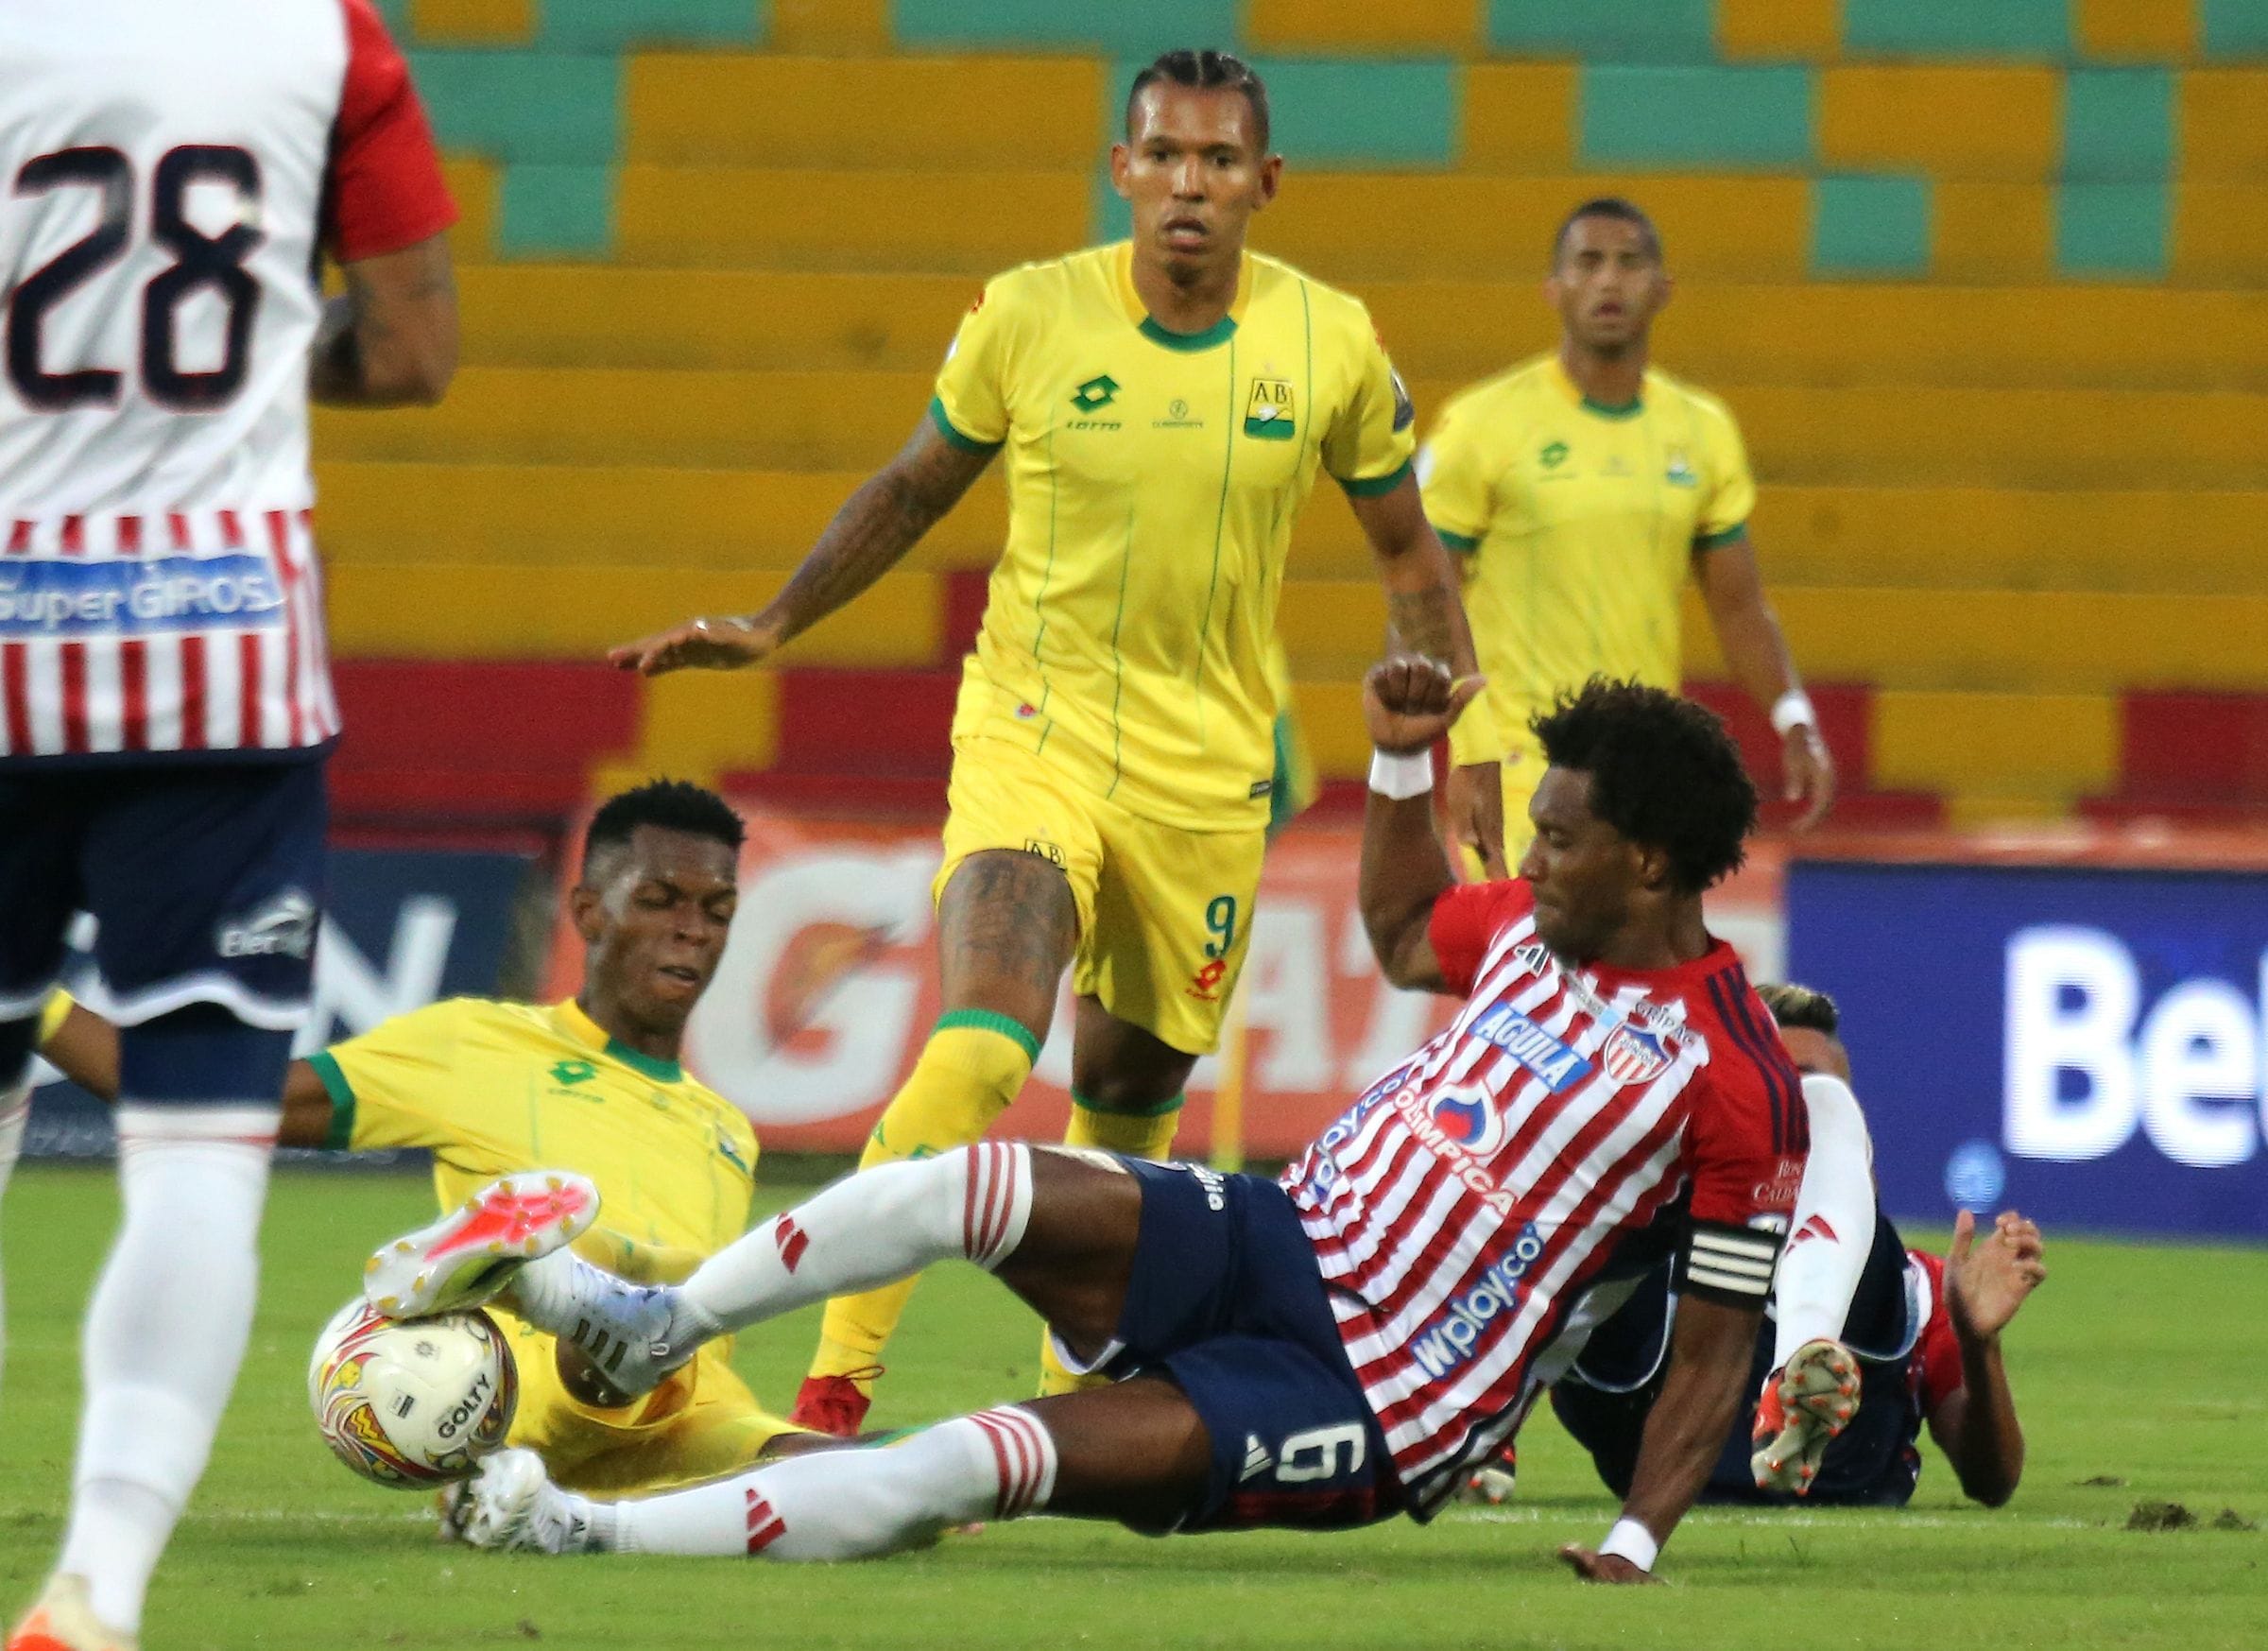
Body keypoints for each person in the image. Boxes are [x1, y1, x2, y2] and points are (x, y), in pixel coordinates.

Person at [359, 670, 1807, 1585]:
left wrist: (1637, 1533)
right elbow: (1402, 925)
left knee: (977, 1458)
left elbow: (1715, 1336)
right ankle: (649, 1323)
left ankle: (576, 1526)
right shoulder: (1532, 929)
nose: (1531, 857)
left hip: (1378, 1389)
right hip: (1281, 1231)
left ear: (1651, 861)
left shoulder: (1734, 1077)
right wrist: (1397, 764)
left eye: (1559, 838)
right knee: (962, 1182)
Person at [605, 49, 1502, 1436]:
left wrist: (1468, 750)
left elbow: (1409, 556)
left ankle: (1066, 1408)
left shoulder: (1330, 343)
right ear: (1122, 169)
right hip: (1035, 726)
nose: (1189, 184)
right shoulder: (1028, 316)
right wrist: (776, 620)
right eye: (1165, 155)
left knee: (1128, 1103)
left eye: (1218, 160)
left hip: (1208, 773)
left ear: (1265, 183)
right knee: (980, 1047)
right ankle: (831, 1397)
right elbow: (913, 488)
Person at [1, 3, 455, 1645]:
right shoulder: (329, 41)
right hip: (219, 654)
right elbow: (408, 349)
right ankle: (98, 1583)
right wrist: (267, 352)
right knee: (197, 1151)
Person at [33, 782, 818, 1499]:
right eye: (659, 901)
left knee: (869, 1473)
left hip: (692, 1416)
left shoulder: (728, 1129)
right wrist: (27, 995)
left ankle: (571, 1364)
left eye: (717, 911)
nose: (691, 931)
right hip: (544, 1394)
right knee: (622, 1330)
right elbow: (209, 1098)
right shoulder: (474, 1044)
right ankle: (562, 1298)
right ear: (586, 913)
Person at [1418, 196, 1834, 868]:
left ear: (1664, 288)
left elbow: (1738, 606)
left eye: (1629, 262)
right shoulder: (1481, 425)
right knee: (1530, 940)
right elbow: (1423, 593)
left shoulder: (1702, 432)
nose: (1609, 280)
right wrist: (1441, 752)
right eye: (1588, 262)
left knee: (1637, 941)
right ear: (1554, 288)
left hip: (1645, 777)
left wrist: (1793, 716)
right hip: (1522, 772)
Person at [1549, 984, 2046, 1508]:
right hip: (1668, 1295)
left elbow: (1991, 1480)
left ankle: (1800, 1370)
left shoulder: (1915, 1290)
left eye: (1813, 1094)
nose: (1798, 1112)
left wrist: (1978, 1346)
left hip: (1844, 1481)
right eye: (1776, 1091)